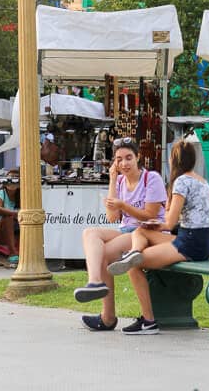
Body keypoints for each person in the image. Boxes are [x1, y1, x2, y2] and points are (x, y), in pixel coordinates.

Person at [107, 138, 209, 335]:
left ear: (173, 160)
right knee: (141, 231)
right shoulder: (203, 181)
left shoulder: (181, 182)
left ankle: (148, 321)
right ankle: (135, 251)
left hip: (189, 243)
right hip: (202, 240)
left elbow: (170, 222)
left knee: (134, 266)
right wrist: (154, 225)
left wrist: (160, 223)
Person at [74, 138, 167, 332]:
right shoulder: (121, 181)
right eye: (119, 159)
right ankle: (94, 282)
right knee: (90, 233)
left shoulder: (152, 178)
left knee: (106, 253)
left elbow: (150, 215)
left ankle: (107, 317)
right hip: (127, 231)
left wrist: (123, 205)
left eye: (128, 158)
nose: (124, 163)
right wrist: (112, 180)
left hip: (148, 232)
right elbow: (112, 217)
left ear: (137, 158)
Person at [0, 172, 20, 264]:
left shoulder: (22, 195)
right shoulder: (1, 193)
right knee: (8, 217)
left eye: (14, 179)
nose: (11, 182)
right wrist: (15, 213)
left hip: (16, 230)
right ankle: (12, 253)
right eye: (9, 179)